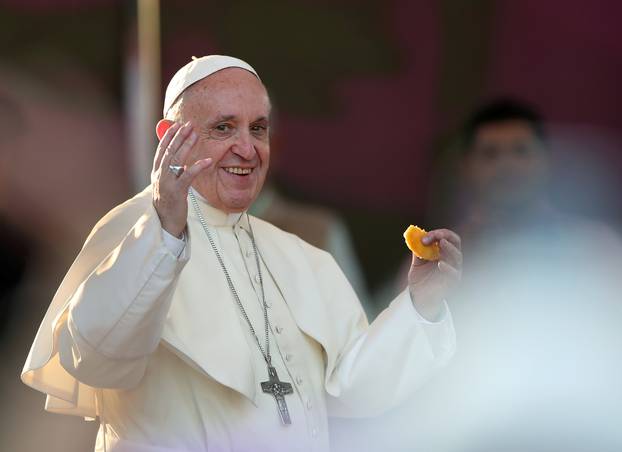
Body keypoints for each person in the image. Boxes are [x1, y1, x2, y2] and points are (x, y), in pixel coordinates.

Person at [21, 55, 462, 452]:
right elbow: (94, 360)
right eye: (222, 128)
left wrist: (419, 306)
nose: (247, 149)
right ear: (169, 137)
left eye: (258, 128)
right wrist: (165, 235)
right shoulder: (131, 230)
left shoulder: (301, 256)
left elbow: (352, 391)